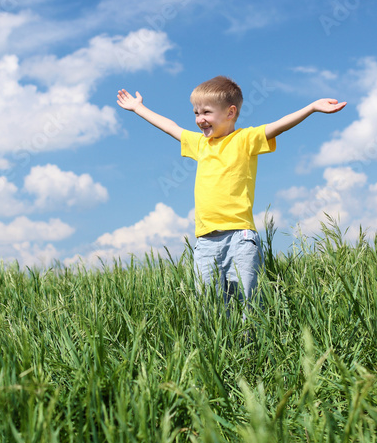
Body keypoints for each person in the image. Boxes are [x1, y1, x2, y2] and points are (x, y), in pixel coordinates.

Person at [117, 75, 346, 312]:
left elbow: (279, 125)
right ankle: (220, 349)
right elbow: (171, 127)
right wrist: (138, 108)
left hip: (240, 236)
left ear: (230, 112)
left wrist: (311, 108)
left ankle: (251, 347)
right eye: (196, 113)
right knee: (211, 308)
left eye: (206, 112)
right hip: (205, 241)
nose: (199, 119)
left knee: (249, 305)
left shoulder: (245, 140)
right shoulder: (200, 145)